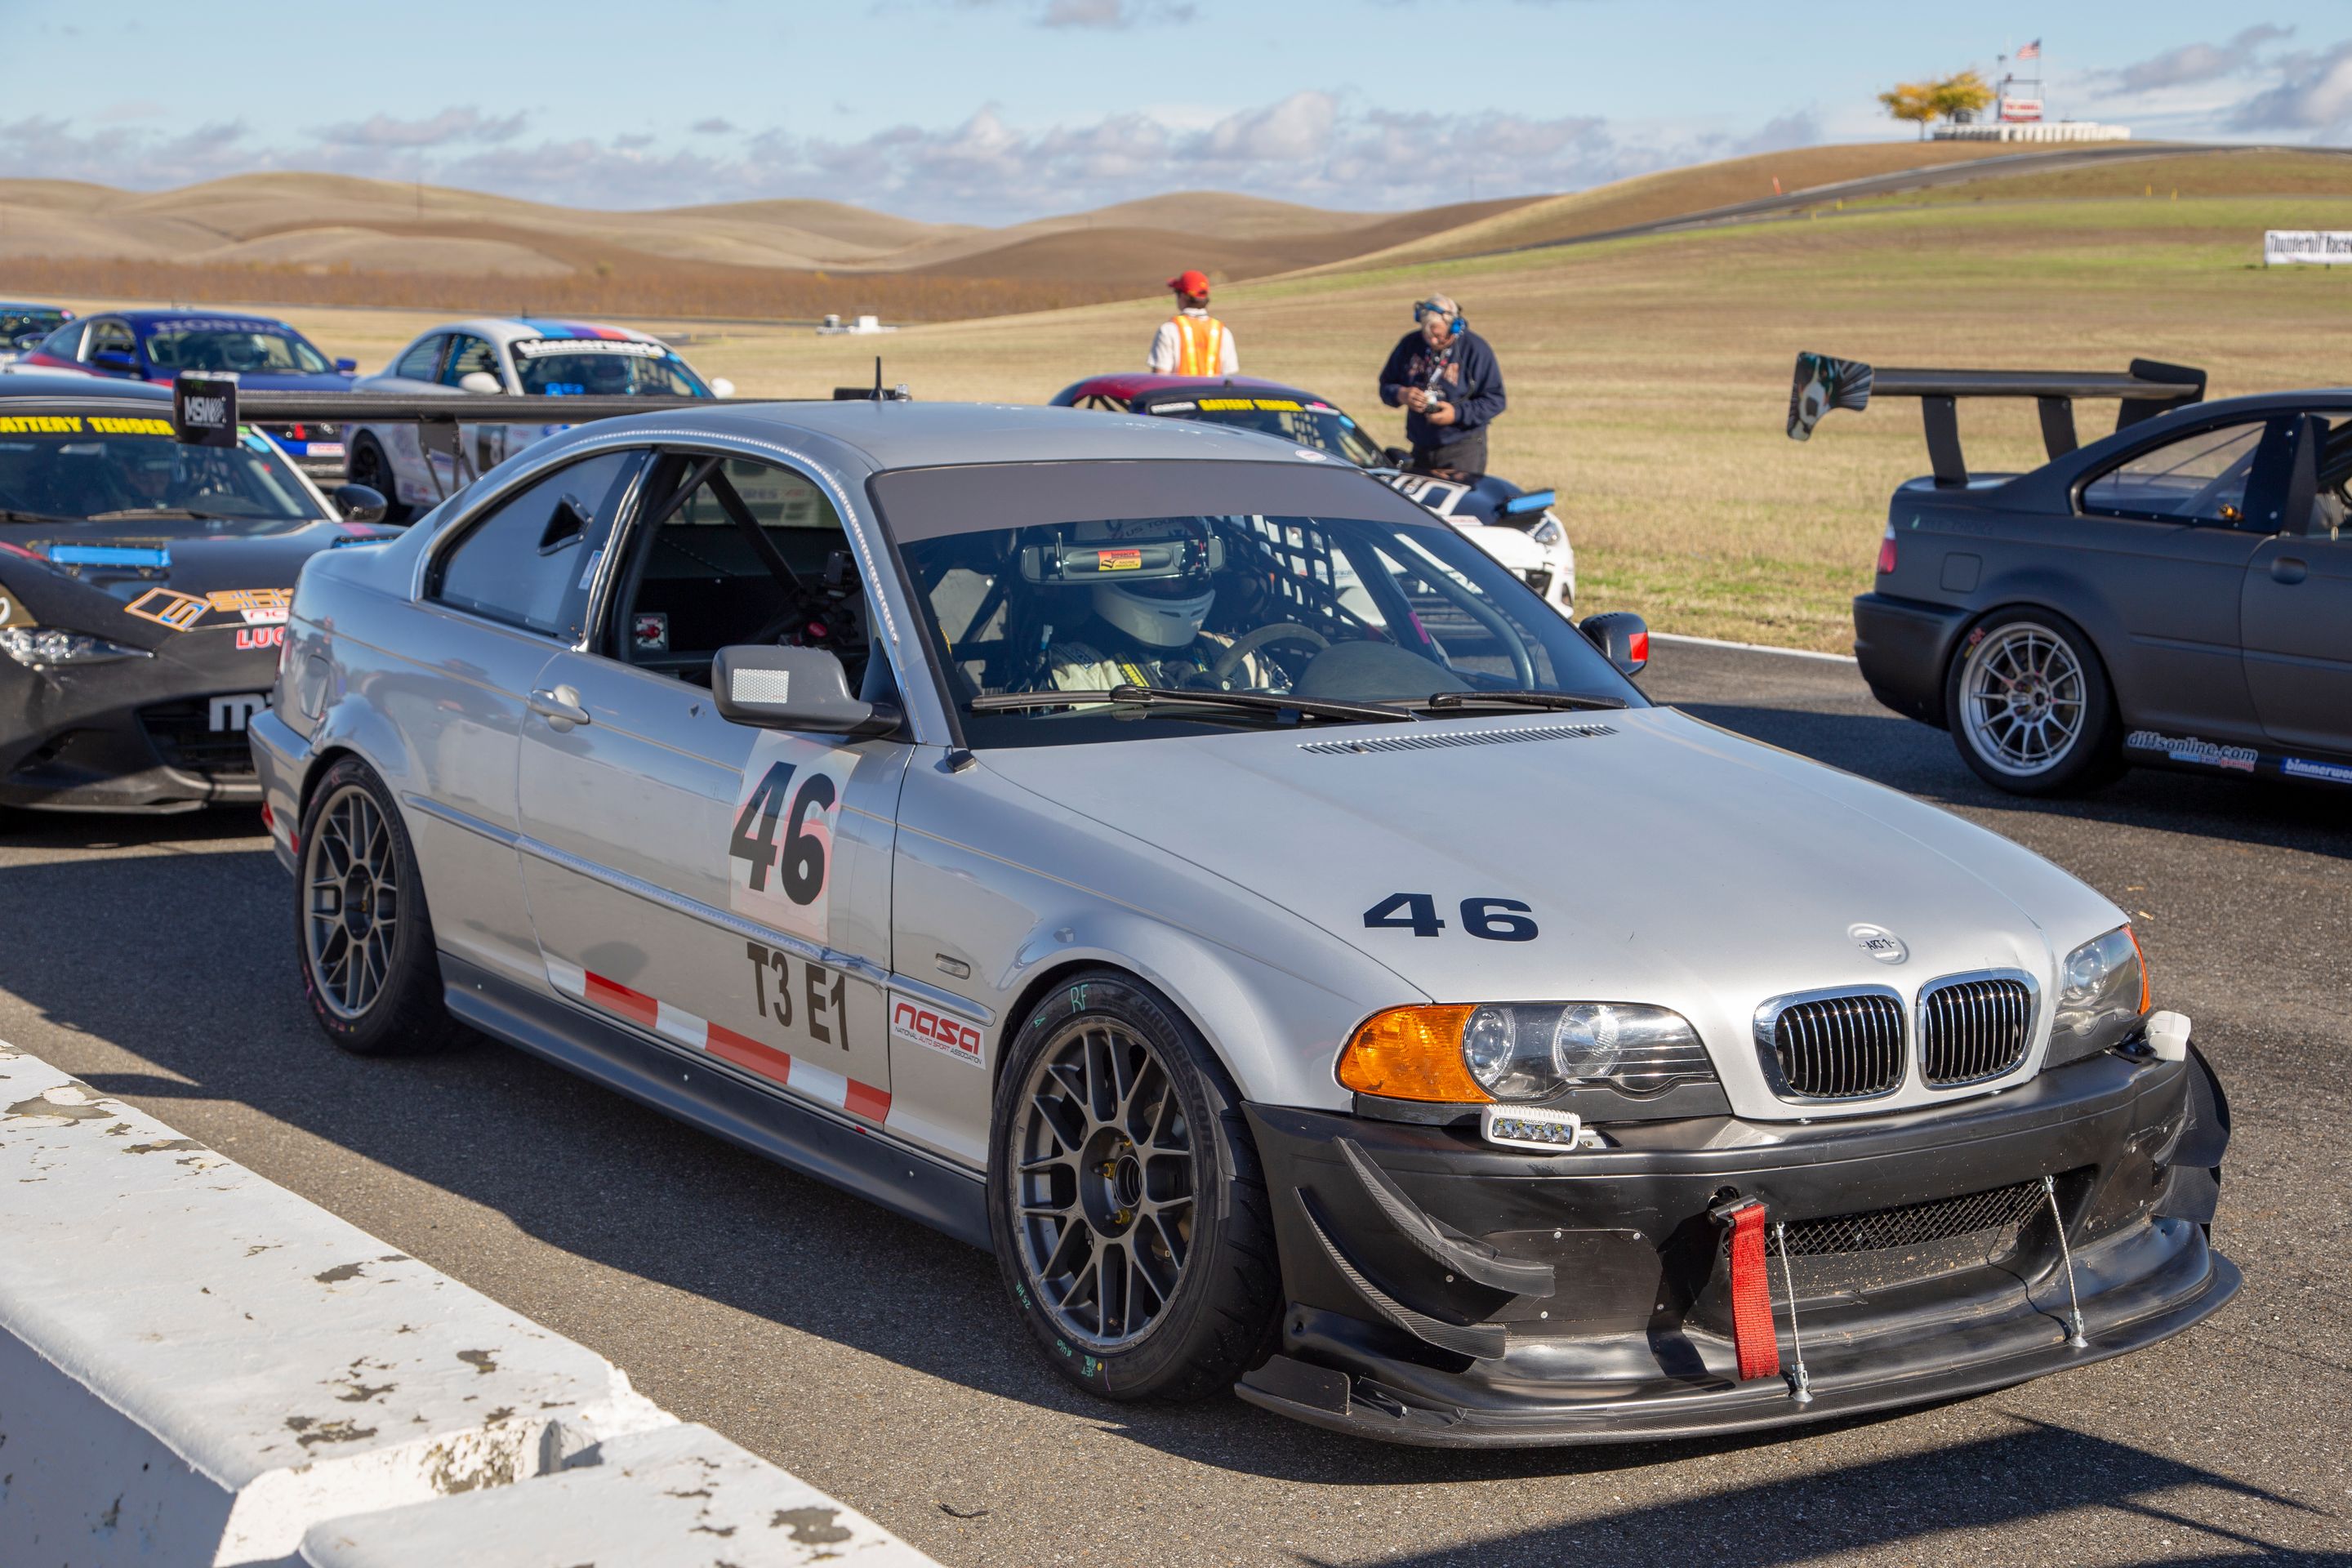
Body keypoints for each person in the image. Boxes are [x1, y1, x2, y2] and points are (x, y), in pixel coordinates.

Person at [1378, 292, 1505, 477]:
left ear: (1454, 326)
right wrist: (1401, 394)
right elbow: (1386, 386)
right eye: (1427, 335)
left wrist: (1456, 414)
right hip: (1421, 446)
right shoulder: (1409, 344)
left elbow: (1496, 400)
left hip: (1463, 449)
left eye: (1438, 335)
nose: (1432, 340)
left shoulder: (1476, 349)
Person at [1147, 270, 1238, 376]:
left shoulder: (1169, 330)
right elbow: (1229, 379)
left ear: (1183, 296)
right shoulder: (1223, 332)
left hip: (1179, 392)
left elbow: (1160, 378)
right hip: (1214, 392)